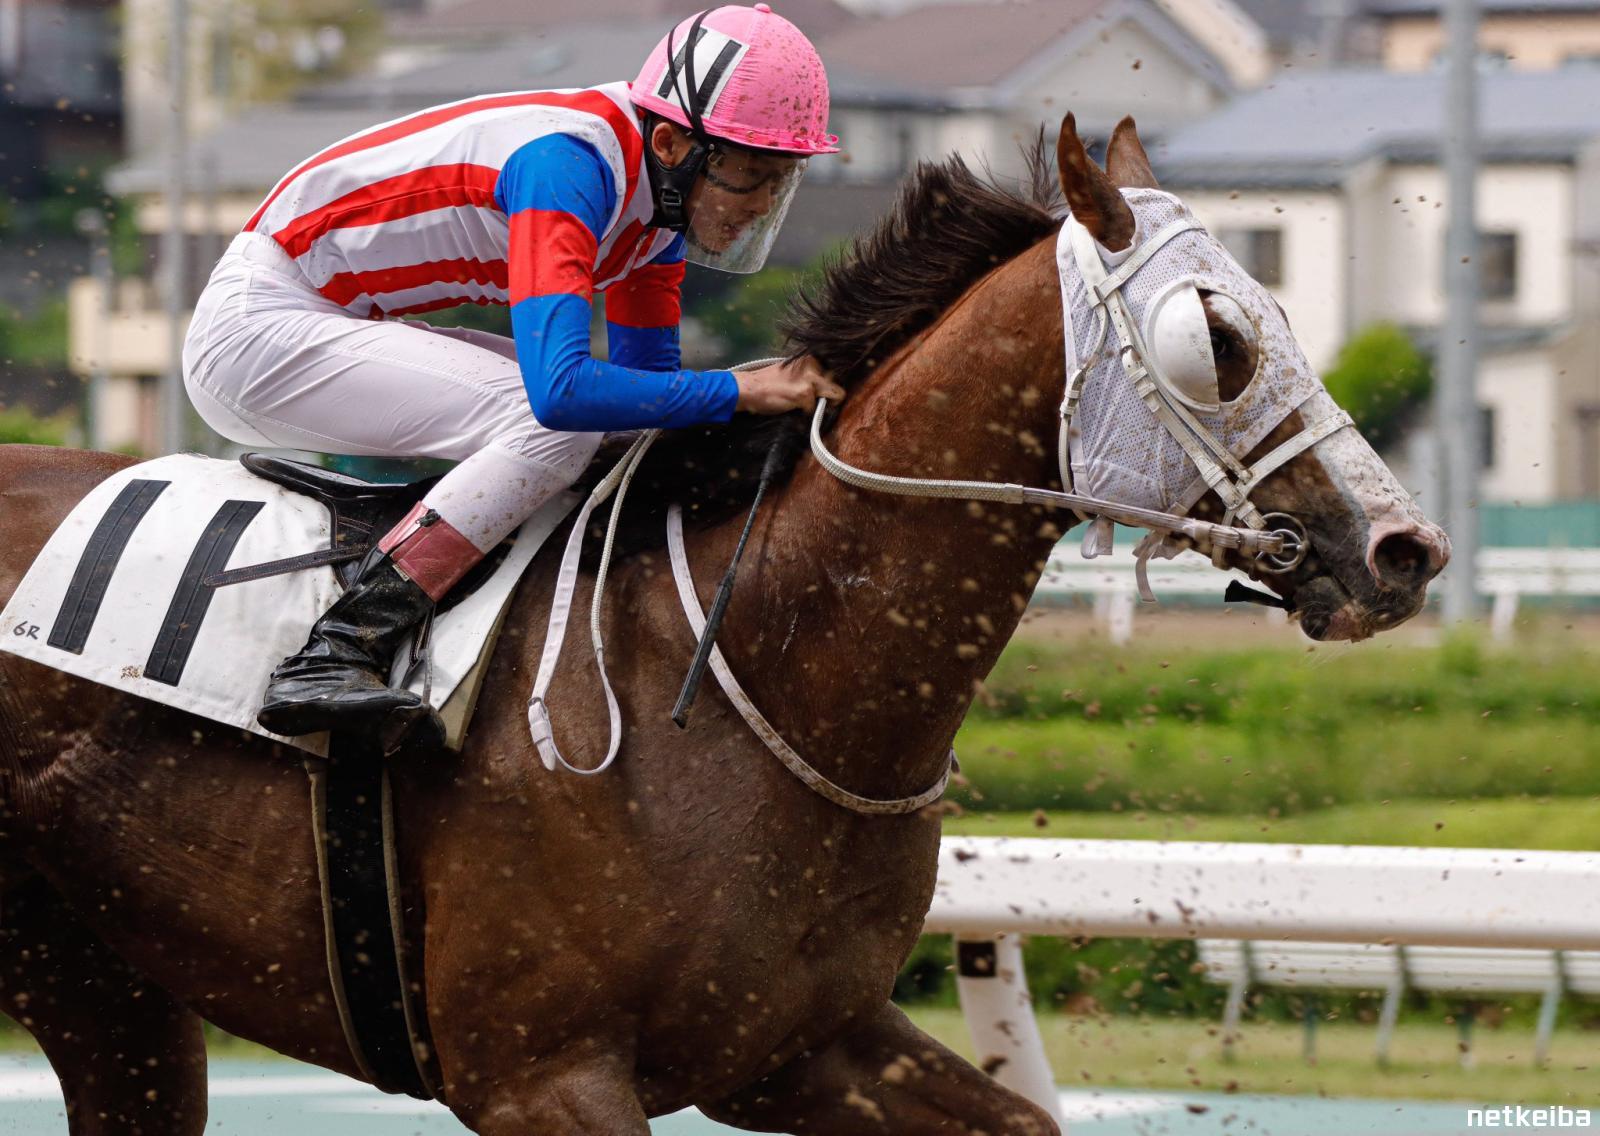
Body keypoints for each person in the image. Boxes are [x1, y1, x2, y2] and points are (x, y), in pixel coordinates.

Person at [180, 4, 846, 744]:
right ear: (670, 143)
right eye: (750, 176)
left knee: (612, 428)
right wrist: (741, 388)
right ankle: (337, 650)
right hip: (255, 331)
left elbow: (646, 397)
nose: (761, 206)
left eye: (779, 181)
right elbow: (561, 395)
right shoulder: (567, 166)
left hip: (334, 319)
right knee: (553, 425)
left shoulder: (658, 207)